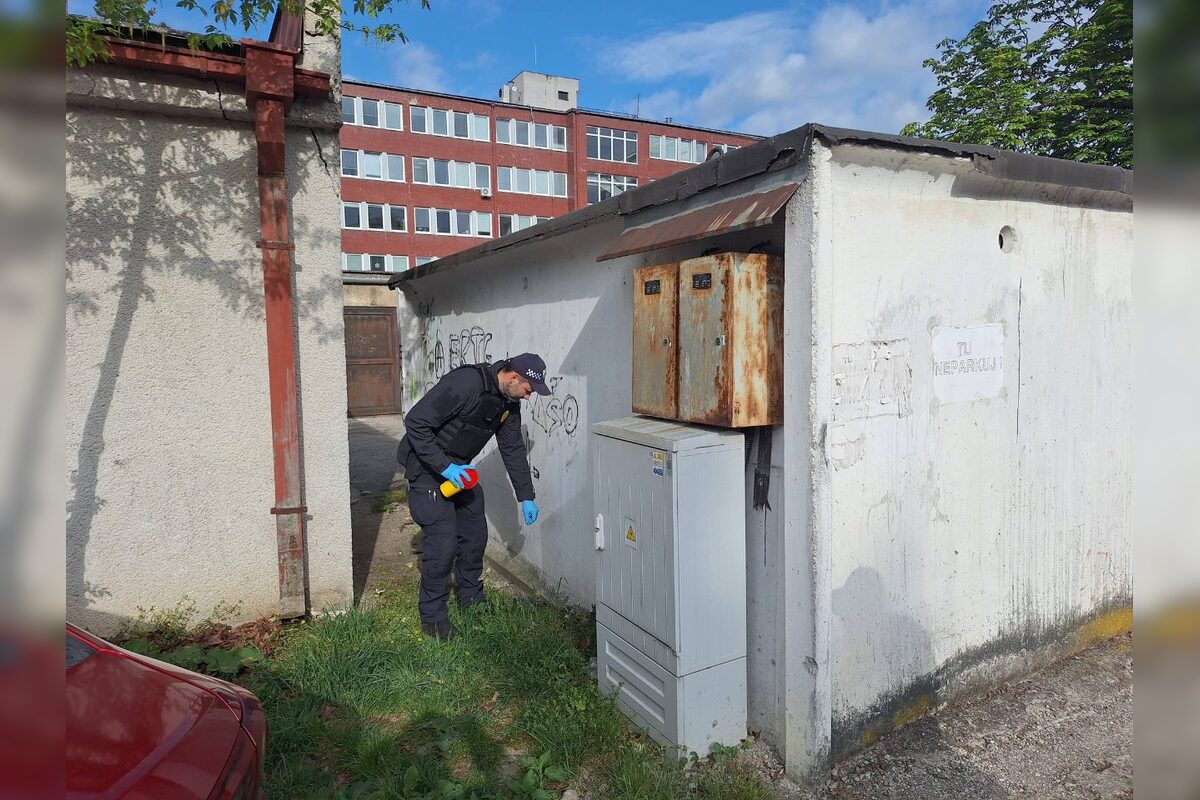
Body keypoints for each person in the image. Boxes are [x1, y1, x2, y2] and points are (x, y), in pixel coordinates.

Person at [396, 353, 551, 640]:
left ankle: (471, 600)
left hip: (458, 472)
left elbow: (513, 450)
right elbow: (416, 421)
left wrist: (525, 496)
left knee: (474, 535)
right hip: (427, 468)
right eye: (528, 390)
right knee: (442, 546)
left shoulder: (508, 404)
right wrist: (444, 467)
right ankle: (433, 619)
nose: (528, 398)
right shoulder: (467, 383)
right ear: (514, 376)